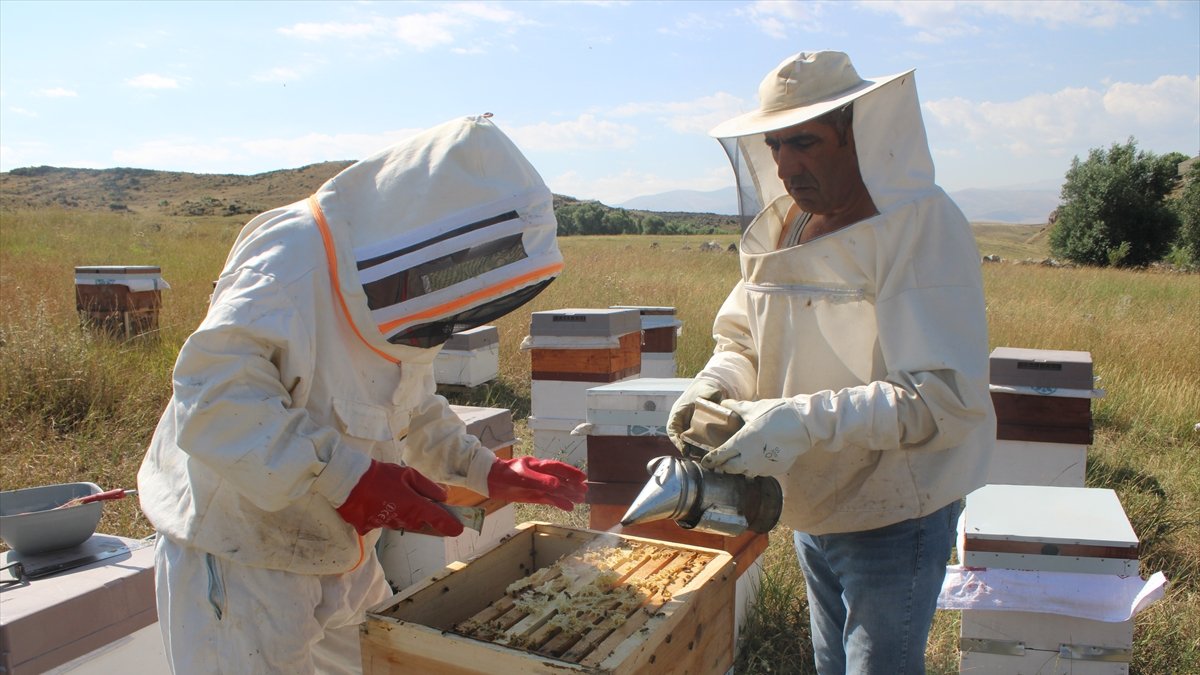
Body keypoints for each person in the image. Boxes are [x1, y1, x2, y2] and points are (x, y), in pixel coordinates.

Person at [137, 114, 587, 674]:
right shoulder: (291, 263)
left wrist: (483, 470)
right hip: (242, 559)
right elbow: (214, 401)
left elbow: (409, 406)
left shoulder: (401, 300)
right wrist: (348, 478)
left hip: (342, 550)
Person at [667, 51, 995, 674]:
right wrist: (713, 386)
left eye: (806, 143)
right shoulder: (785, 226)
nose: (787, 166)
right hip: (808, 493)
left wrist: (797, 422)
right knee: (830, 663)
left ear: (857, 134)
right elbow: (744, 338)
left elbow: (944, 398)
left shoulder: (920, 228)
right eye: (775, 146)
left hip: (896, 506)